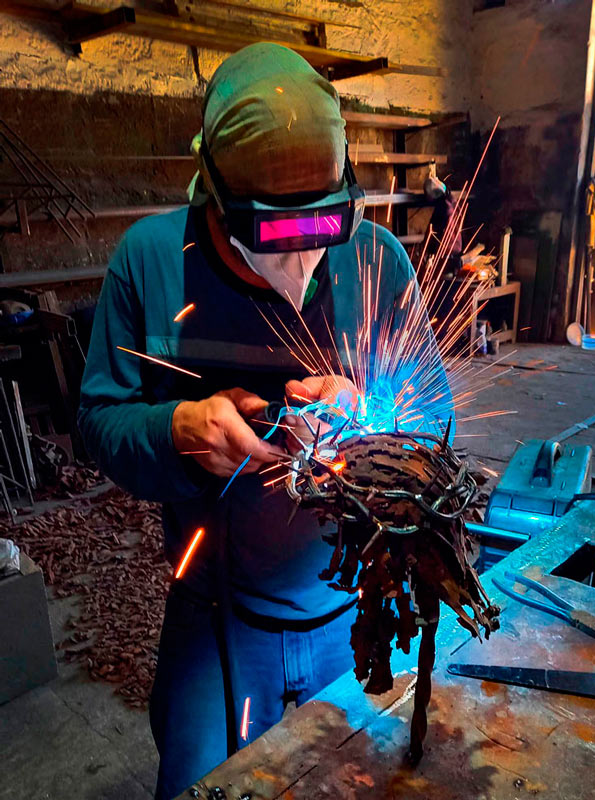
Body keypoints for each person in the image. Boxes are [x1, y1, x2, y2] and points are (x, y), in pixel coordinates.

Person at [78, 42, 453, 800]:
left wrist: (370, 430)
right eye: (275, 238)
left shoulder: (378, 262)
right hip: (214, 617)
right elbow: (97, 423)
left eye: (321, 228)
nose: (301, 264)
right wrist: (174, 429)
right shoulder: (150, 262)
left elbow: (438, 420)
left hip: (354, 607)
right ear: (212, 189)